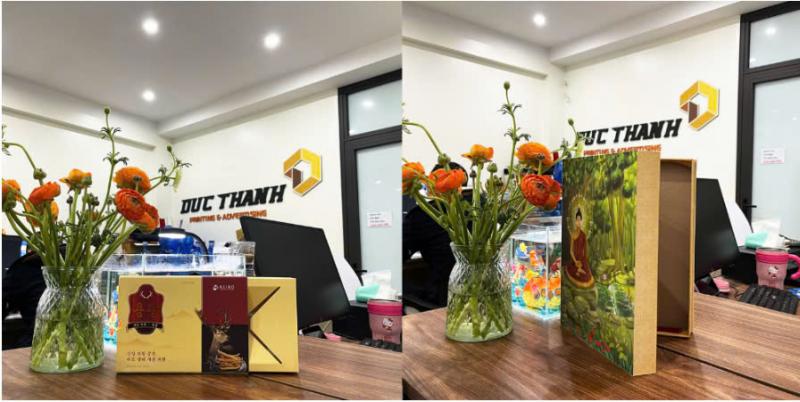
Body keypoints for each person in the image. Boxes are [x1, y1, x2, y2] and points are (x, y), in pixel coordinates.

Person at [402, 162, 469, 308]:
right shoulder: (478, 208)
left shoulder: (419, 216)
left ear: (431, 185)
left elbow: (399, 255)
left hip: (444, 297)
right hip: (480, 288)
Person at [565, 207, 595, 288]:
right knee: (572, 270)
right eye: (577, 220)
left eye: (580, 220)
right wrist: (575, 261)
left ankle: (579, 270)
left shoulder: (583, 235)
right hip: (574, 259)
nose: (578, 222)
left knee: (587, 275)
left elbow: (585, 250)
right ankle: (577, 270)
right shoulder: (573, 234)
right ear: (575, 221)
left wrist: (583, 261)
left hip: (582, 259)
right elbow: (571, 251)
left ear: (582, 221)